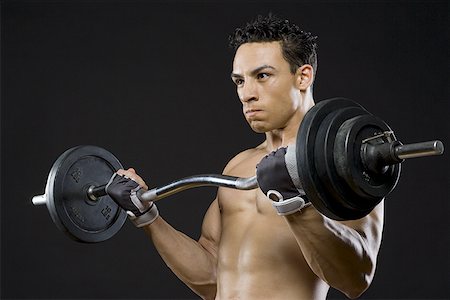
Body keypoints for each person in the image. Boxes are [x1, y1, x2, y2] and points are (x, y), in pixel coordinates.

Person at [105, 15, 384, 299]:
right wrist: (147, 216)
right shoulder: (238, 166)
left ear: (303, 76)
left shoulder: (341, 160)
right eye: (240, 81)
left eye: (262, 76)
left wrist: (294, 204)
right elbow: (211, 277)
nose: (246, 94)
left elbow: (356, 278)